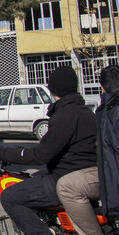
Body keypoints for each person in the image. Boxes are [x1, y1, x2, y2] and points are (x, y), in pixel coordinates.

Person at [0, 65, 97, 235]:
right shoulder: (85, 112)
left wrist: (1, 152)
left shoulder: (65, 115)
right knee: (33, 179)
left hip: (65, 178)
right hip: (80, 173)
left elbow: (41, 155)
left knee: (10, 197)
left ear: (53, 90)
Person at [56, 64, 119, 234]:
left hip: (112, 179)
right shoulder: (104, 110)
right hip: (107, 176)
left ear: (102, 88)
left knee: (67, 186)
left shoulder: (111, 111)